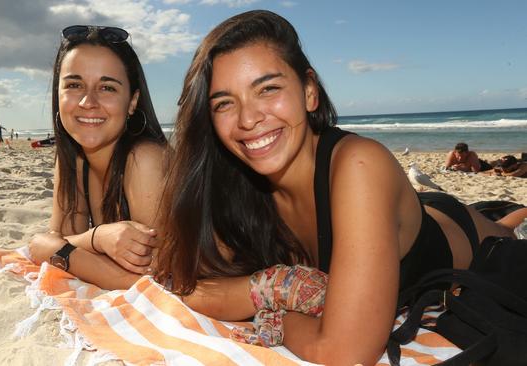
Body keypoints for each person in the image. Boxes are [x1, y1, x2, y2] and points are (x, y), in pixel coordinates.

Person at [155, 10, 527, 365]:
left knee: (503, 230)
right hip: (393, 211)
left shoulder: (359, 163)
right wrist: (277, 284)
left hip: (462, 235)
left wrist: (279, 320)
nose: (248, 119)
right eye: (224, 103)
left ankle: (510, 218)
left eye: (267, 89)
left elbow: (345, 353)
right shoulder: (232, 183)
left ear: (310, 91)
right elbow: (185, 285)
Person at [27, 25, 168, 290]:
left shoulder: (144, 159)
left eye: (107, 87)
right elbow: (61, 238)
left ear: (133, 101)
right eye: (74, 85)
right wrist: (97, 238)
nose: (87, 102)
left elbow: (155, 278)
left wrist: (60, 250)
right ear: (58, 95)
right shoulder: (73, 158)